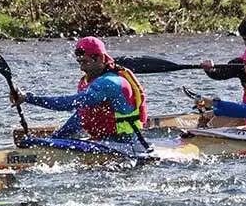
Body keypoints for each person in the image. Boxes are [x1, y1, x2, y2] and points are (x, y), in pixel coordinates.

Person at [10, 36, 148, 145]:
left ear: (100, 58)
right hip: (103, 142)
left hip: (126, 145)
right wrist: (54, 139)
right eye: (80, 62)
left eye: (85, 62)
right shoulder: (87, 82)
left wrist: (28, 98)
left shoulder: (109, 83)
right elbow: (81, 117)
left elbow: (68, 103)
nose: (82, 68)